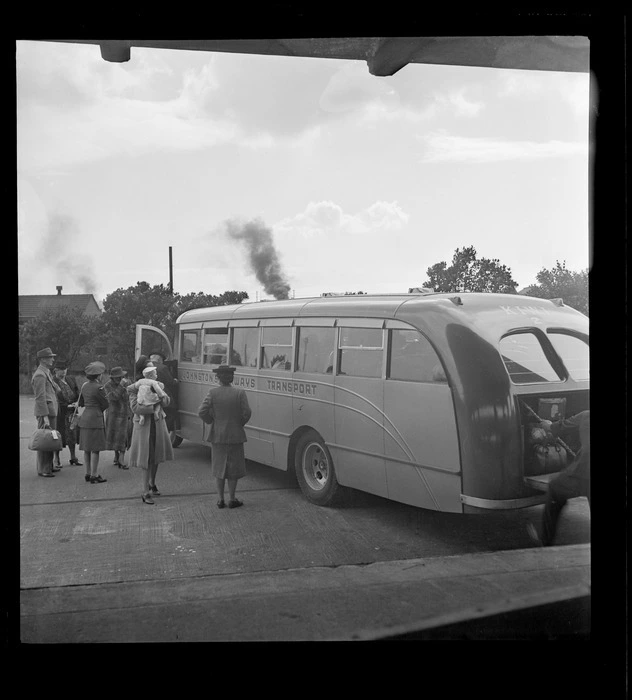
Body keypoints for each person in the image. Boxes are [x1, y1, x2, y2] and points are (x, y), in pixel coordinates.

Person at [527, 410, 590, 546]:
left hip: (584, 473)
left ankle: (546, 541)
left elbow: (561, 426)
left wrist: (548, 425)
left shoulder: (586, 415)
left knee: (555, 487)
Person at [198, 364, 252, 509]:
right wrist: (239, 423)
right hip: (235, 435)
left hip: (218, 435)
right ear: (232, 378)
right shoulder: (240, 393)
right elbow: (247, 412)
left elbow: (202, 411)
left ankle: (220, 499)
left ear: (218, 378)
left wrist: (212, 422)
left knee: (219, 467)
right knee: (233, 468)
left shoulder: (212, 393)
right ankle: (232, 498)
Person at [126, 356, 174, 505]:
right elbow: (135, 407)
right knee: (146, 458)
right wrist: (153, 407)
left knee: (157, 455)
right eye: (150, 367)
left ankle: (152, 483)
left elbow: (167, 401)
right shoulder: (135, 387)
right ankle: (145, 491)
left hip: (158, 423)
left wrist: (162, 397)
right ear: (143, 372)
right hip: (144, 425)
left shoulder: (157, 384)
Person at [78, 361, 109, 484]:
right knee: (95, 449)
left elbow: (81, 402)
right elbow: (106, 404)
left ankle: (87, 472)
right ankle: (94, 475)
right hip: (95, 418)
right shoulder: (100, 387)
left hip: (85, 417)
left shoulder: (84, 386)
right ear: (98, 375)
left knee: (87, 448)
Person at [31, 347, 59, 477]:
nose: (52, 359)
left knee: (50, 440)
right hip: (46, 413)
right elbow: (40, 398)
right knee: (44, 440)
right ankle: (44, 469)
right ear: (42, 359)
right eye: (50, 357)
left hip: (51, 411)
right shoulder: (40, 375)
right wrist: (44, 416)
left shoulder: (46, 372)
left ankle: (49, 465)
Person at [52, 360, 82, 468]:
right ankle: (57, 459)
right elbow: (54, 399)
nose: (63, 372)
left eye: (65, 369)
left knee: (72, 435)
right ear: (55, 370)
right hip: (60, 413)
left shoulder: (71, 379)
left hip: (72, 412)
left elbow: (78, 393)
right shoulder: (53, 381)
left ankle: (73, 457)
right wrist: (65, 405)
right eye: (61, 370)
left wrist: (78, 402)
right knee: (58, 435)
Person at [104, 366, 131, 469]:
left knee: (124, 436)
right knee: (115, 436)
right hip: (113, 415)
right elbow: (113, 397)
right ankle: (116, 456)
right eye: (118, 377)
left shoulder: (126, 383)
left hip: (125, 413)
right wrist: (121, 386)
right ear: (112, 377)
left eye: (121, 377)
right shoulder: (107, 386)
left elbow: (129, 396)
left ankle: (121, 459)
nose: (120, 379)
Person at [149, 351, 178, 433]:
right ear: (159, 359)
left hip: (149, 396)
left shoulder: (145, 367)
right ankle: (164, 433)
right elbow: (170, 382)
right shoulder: (162, 367)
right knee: (171, 413)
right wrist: (175, 381)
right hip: (161, 395)